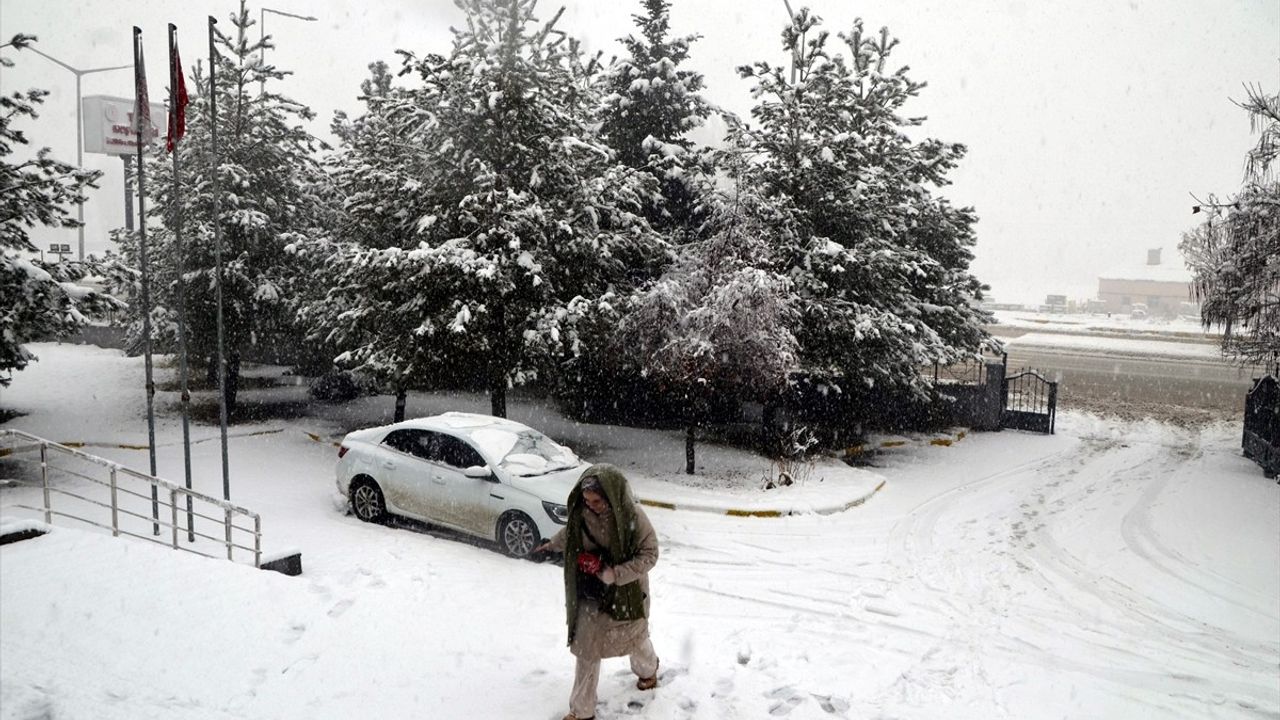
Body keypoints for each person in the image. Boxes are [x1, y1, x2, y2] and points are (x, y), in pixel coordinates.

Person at [534, 464, 660, 720]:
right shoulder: (582, 514)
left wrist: (616, 573)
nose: (592, 505)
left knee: (635, 640)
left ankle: (648, 671)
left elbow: (650, 554)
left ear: (612, 495)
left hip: (627, 596)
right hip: (591, 595)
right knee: (587, 649)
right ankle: (581, 711)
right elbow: (569, 534)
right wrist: (550, 545)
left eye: (597, 500)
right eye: (587, 500)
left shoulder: (632, 516)